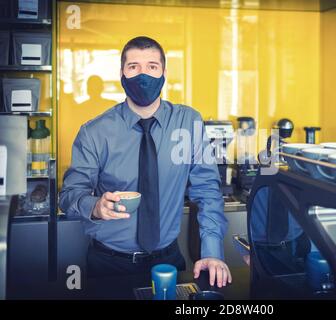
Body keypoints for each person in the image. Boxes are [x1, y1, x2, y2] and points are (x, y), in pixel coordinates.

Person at [59, 36, 232, 288]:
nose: (143, 75)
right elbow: (69, 195)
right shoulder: (94, 132)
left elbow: (207, 191)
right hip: (108, 264)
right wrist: (95, 206)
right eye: (133, 67)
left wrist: (213, 251)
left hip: (168, 261)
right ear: (122, 74)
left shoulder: (188, 123)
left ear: (163, 73)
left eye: (152, 66)